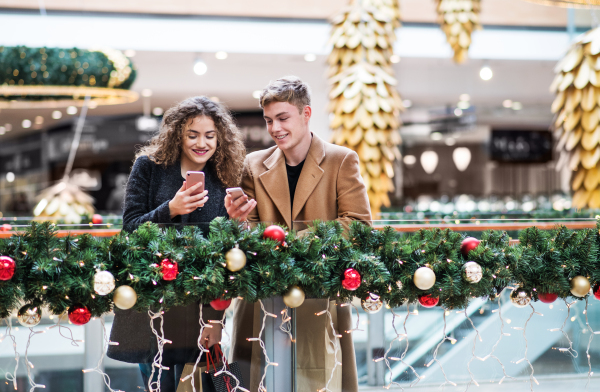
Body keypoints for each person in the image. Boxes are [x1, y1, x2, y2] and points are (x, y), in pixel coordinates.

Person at [226, 76, 371, 392]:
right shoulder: (252, 164)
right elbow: (246, 228)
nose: (275, 128)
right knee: (256, 377)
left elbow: (358, 223)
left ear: (306, 114)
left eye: (282, 118)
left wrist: (287, 243)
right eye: (268, 120)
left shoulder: (340, 159)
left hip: (320, 293)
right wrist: (236, 222)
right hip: (262, 296)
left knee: (319, 378)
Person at [107, 96, 246, 392]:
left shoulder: (224, 175)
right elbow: (130, 230)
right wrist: (170, 208)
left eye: (210, 136)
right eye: (192, 135)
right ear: (177, 135)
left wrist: (216, 318)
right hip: (152, 308)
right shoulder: (149, 167)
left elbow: (226, 257)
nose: (202, 143)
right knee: (159, 386)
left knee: (204, 385)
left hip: (199, 309)